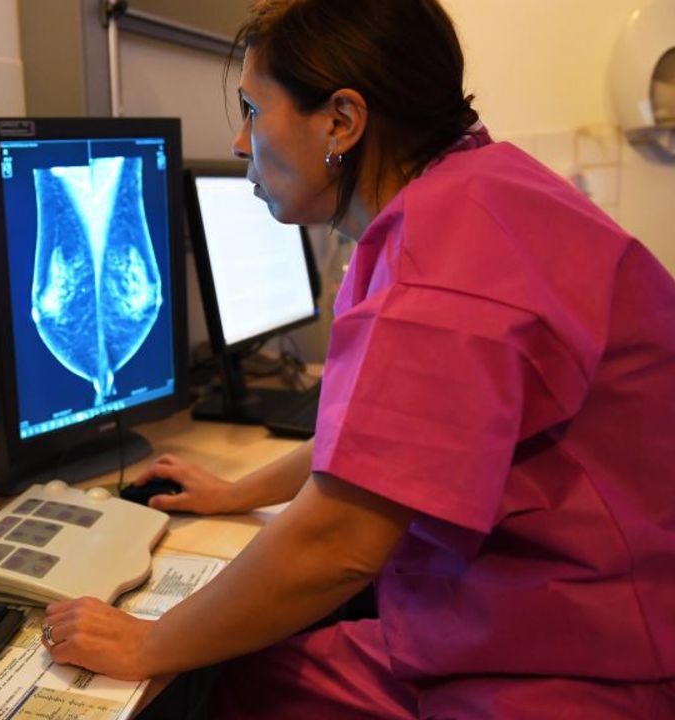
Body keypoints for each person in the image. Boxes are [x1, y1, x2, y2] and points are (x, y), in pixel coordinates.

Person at [39, 0, 675, 717]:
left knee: (205, 686)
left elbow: (340, 540)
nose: (241, 141)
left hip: (589, 666)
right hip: (516, 620)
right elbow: (383, 442)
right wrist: (237, 493)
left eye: (253, 109)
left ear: (341, 120)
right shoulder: (469, 191)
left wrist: (145, 645)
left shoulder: (444, 262)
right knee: (253, 682)